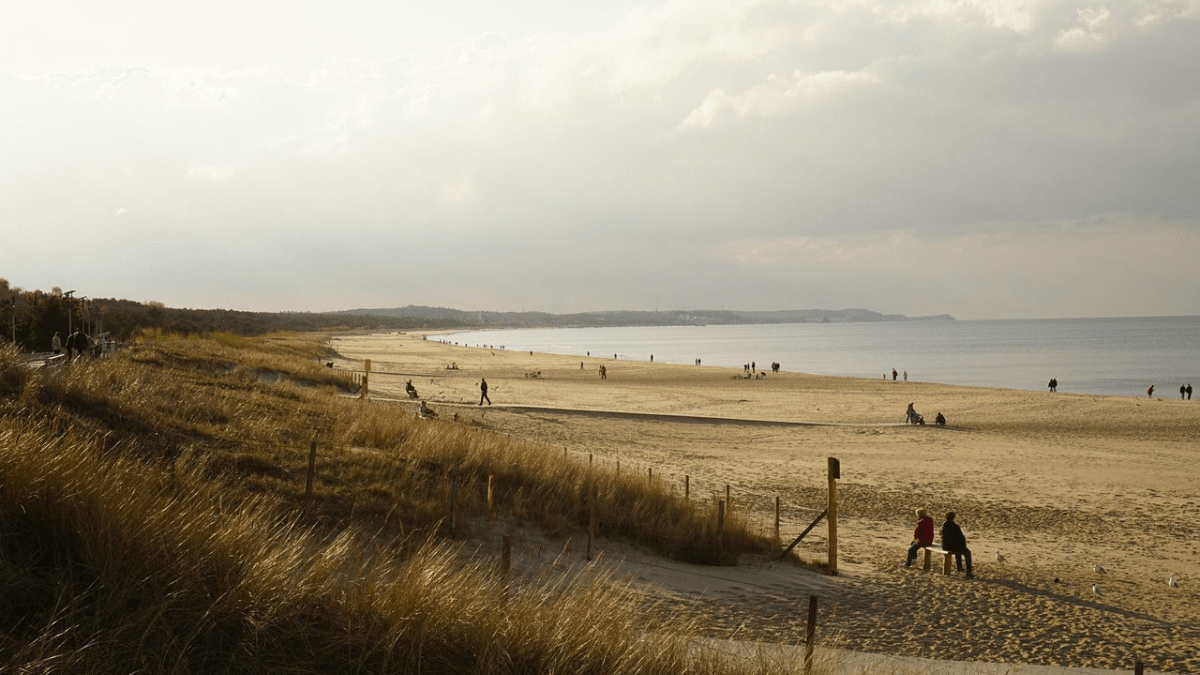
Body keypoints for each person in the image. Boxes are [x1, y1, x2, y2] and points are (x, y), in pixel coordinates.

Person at [940, 512, 974, 578]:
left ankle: (959, 566)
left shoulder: (942, 526)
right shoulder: (955, 526)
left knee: (958, 547)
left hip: (945, 546)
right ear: (953, 518)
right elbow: (961, 537)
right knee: (967, 552)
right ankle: (969, 572)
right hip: (953, 546)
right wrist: (964, 545)